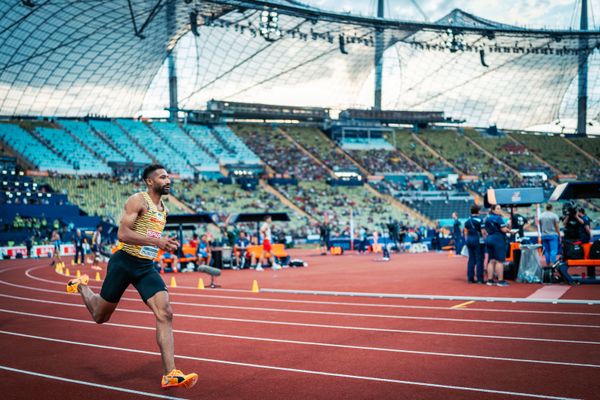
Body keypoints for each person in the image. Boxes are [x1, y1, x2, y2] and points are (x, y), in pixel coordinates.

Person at [65, 164, 198, 389]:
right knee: (100, 316)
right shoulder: (138, 200)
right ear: (149, 181)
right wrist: (157, 242)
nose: (168, 180)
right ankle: (81, 286)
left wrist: (164, 245)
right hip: (124, 262)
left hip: (145, 267)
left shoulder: (164, 209)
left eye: (168, 177)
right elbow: (123, 233)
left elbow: (149, 235)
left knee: (165, 312)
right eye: (163, 177)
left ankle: (170, 374)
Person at [484, 204, 510, 286]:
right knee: (500, 261)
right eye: (498, 209)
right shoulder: (499, 218)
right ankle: (500, 281)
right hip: (498, 239)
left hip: (489, 238)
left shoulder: (487, 218)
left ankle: (490, 280)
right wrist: (509, 230)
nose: (500, 210)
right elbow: (503, 229)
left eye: (500, 208)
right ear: (493, 210)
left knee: (491, 260)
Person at [464, 204, 486, 283]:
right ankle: (480, 279)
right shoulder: (480, 220)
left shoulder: (467, 220)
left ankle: (470, 278)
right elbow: (483, 232)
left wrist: (466, 240)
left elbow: (465, 232)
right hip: (478, 240)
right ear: (478, 211)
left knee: (471, 259)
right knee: (479, 259)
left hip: (469, 240)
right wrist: (485, 240)